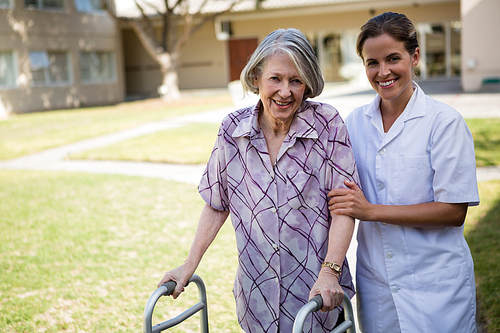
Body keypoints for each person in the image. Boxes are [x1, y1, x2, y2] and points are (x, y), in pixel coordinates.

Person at [158, 28, 359, 333]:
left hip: (317, 298)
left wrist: (330, 270)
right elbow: (217, 203)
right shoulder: (232, 131)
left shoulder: (328, 124)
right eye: (275, 79)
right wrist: (189, 264)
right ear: (256, 79)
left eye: (296, 80)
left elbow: (344, 207)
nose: (285, 91)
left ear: (308, 83)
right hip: (257, 297)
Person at [328, 12, 480, 333]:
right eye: (372, 62)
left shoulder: (444, 123)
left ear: (415, 57)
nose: (383, 72)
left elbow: (454, 211)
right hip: (378, 285)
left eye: (393, 59)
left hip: (437, 285)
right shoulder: (354, 123)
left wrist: (370, 211)